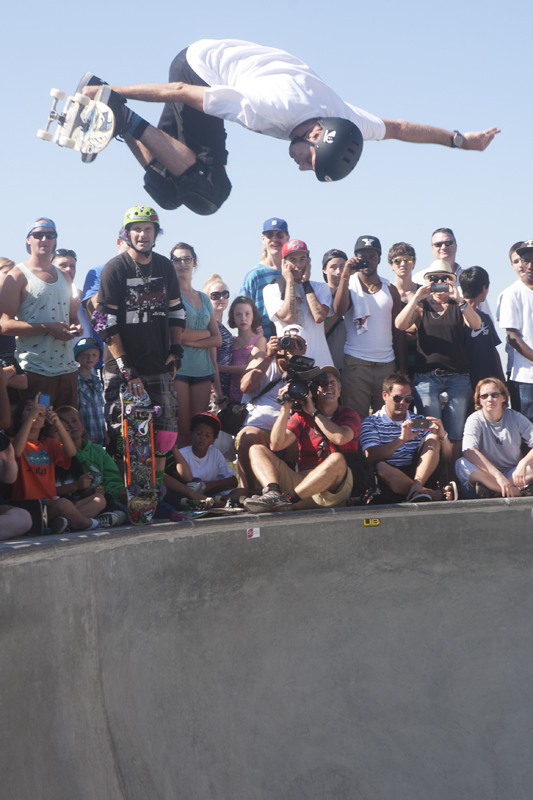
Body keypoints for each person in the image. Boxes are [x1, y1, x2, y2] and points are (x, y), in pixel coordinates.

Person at [80, 39, 498, 215]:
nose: (300, 167)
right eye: (309, 162)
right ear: (315, 135)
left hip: (224, 68)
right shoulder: (266, 108)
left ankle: (120, 125)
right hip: (201, 67)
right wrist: (110, 89)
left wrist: (460, 141)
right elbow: (180, 90)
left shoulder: (348, 123)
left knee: (173, 194)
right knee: (210, 190)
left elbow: (400, 127)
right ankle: (116, 106)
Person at [96, 206, 186, 479]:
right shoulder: (115, 268)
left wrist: (176, 350)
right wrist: (127, 369)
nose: (142, 234)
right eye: (136, 229)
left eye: (148, 229)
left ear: (156, 233)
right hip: (123, 366)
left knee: (164, 436)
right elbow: (104, 323)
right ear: (127, 233)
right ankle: (128, 493)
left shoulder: (164, 266)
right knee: (125, 436)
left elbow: (177, 311)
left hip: (158, 363)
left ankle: (152, 496)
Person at [395, 259, 481, 473]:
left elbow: (476, 324)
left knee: (455, 433)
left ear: (451, 282)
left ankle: (454, 478)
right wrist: (417, 296)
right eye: (435, 279)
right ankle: (431, 478)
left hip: (458, 377)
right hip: (426, 377)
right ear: (428, 282)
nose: (439, 282)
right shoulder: (421, 307)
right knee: (430, 430)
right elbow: (399, 324)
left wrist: (458, 298)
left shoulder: (458, 306)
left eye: (444, 279)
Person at [244, 366, 361, 513]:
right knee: (256, 449)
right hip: (302, 485)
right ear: (315, 391)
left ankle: (285, 500)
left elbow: (340, 438)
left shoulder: (349, 414)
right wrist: (285, 408)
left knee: (336, 458)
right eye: (324, 383)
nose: (329, 386)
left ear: (339, 391)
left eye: (333, 383)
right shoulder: (301, 416)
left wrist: (314, 413)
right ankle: (273, 494)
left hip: (335, 487)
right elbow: (276, 444)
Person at [0, 218, 82, 408]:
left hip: (68, 370)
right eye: (38, 235)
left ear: (55, 240)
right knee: (37, 431)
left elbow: (73, 318)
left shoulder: (65, 276)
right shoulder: (17, 275)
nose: (44, 239)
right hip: (35, 371)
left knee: (67, 432)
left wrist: (75, 328)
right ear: (28, 240)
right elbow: (4, 324)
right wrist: (47, 327)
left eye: (49, 235)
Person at [333, 235, 407, 419]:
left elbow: (398, 331)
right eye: (362, 256)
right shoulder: (348, 285)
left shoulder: (390, 289)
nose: (368, 261)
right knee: (355, 422)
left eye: (372, 256)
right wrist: (345, 275)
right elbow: (339, 309)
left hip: (386, 366)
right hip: (356, 365)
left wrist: (403, 367)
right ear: (355, 258)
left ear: (379, 258)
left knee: (387, 422)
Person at [10, 395, 105, 533]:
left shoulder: (48, 444)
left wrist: (58, 424)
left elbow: (71, 452)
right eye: (30, 410)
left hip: (50, 505)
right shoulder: (12, 441)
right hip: (27, 508)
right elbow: (16, 453)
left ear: (44, 423)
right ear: (20, 418)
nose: (36, 413)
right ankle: (92, 524)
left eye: (40, 412)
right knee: (64, 505)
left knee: (99, 499)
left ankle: (61, 523)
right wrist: (31, 418)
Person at [359, 372, 454, 503]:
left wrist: (442, 435)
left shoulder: (419, 420)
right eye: (397, 398)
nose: (403, 403)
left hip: (420, 474)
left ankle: (417, 488)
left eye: (408, 399)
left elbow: (447, 457)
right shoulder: (371, 422)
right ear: (385, 395)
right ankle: (428, 493)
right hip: (389, 481)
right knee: (381, 467)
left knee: (433, 437)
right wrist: (401, 440)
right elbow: (371, 456)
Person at [235, 326, 306, 491]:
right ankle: (249, 491)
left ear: (305, 348)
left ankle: (307, 491)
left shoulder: (308, 368)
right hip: (260, 430)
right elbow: (245, 387)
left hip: (292, 433)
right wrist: (268, 356)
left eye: (297, 343)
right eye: (286, 341)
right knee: (249, 435)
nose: (291, 346)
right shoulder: (263, 359)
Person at [171, 242, 222, 447]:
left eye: (186, 259)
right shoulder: (171, 295)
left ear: (194, 262)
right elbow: (179, 335)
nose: (182, 264)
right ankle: (181, 478)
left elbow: (217, 339)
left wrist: (194, 335)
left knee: (198, 430)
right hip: (180, 369)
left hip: (203, 371)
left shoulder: (203, 298)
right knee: (183, 430)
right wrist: (205, 334)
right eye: (177, 260)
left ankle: (197, 476)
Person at [455, 378, 533, 499]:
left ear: (504, 398)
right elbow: (469, 451)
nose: (489, 399)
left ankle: (494, 491)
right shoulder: (474, 419)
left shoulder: (516, 417)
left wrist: (523, 463)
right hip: (487, 475)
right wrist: (498, 476)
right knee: (461, 464)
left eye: (494, 395)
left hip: (513, 474)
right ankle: (517, 492)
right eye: (484, 396)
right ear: (479, 400)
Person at [263, 239, 333, 367]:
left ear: (309, 260)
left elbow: (319, 317)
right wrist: (289, 282)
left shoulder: (321, 288)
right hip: (289, 366)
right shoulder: (271, 289)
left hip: (320, 363)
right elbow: (289, 317)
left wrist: (306, 284)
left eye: (302, 259)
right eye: (293, 260)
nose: (299, 265)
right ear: (284, 263)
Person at [56, 406, 126, 523]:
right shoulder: (61, 453)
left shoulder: (98, 450)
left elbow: (113, 478)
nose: (71, 426)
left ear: (83, 426)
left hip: (106, 496)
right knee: (120, 513)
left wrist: (118, 492)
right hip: (79, 499)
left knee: (125, 506)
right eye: (65, 425)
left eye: (74, 421)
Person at [498, 239, 533, 423]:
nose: (530, 264)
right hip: (525, 378)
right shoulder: (511, 293)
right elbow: (512, 337)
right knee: (528, 435)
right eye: (526, 260)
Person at [239, 218, 290, 338]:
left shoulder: (293, 273)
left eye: (279, 235)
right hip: (263, 345)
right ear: (263, 239)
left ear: (287, 238)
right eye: (270, 235)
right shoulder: (254, 275)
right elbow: (242, 312)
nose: (274, 239)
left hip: (292, 343)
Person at [458, 266, 504, 390]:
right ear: (484, 288)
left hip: (492, 387)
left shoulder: (485, 317)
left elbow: (493, 349)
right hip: (466, 387)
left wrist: (502, 380)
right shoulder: (455, 317)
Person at [496, 242, 525, 411]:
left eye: (524, 259)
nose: (521, 265)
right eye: (516, 261)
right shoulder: (508, 294)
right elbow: (512, 337)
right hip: (520, 372)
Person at [388, 242, 420, 378]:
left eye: (407, 260)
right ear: (391, 265)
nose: (403, 264)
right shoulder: (387, 293)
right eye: (397, 261)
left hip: (421, 357)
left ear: (414, 263)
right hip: (393, 356)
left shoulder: (422, 292)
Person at [227, 296, 266, 403]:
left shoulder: (260, 340)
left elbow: (249, 368)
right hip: (229, 396)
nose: (243, 318)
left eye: (247, 314)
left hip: (250, 397)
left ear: (253, 316)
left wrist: (218, 368)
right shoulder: (230, 340)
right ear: (232, 317)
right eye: (238, 314)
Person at [202, 273, 233, 399]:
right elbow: (212, 362)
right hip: (214, 389)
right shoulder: (209, 325)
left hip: (227, 386)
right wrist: (219, 394)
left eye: (225, 294)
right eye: (215, 295)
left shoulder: (222, 326)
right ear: (207, 299)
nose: (222, 298)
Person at [74, 337, 106, 446]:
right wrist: (84, 434)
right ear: (77, 357)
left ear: (98, 358)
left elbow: (101, 410)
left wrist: (105, 434)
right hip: (82, 439)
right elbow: (74, 411)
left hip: (100, 438)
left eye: (94, 355)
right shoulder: (73, 379)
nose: (90, 358)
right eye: (85, 354)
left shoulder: (98, 380)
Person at [321, 248, 348, 373]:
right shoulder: (318, 296)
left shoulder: (357, 295)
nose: (339, 271)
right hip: (327, 364)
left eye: (342, 266)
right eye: (333, 267)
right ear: (324, 270)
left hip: (352, 366)